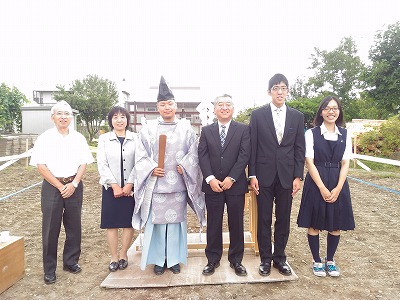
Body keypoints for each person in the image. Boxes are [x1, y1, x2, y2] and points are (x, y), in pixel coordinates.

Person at [132, 76, 205, 275]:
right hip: (156, 185)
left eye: (170, 103)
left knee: (175, 224)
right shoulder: (148, 129)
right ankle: (158, 259)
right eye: (162, 104)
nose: (166, 107)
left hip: (179, 185)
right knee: (156, 224)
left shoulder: (186, 128)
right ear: (157, 107)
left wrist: (186, 166)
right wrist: (150, 168)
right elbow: (141, 155)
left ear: (176, 105)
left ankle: (173, 259)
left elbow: (194, 153)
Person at [29, 100, 94, 284]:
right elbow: (40, 166)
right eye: (59, 114)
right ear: (53, 117)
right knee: (50, 228)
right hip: (52, 187)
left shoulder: (79, 138)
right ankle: (49, 269)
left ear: (71, 117)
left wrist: (74, 183)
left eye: (67, 114)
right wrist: (59, 186)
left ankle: (70, 261)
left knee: (74, 226)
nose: (63, 117)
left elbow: (84, 163)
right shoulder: (45, 138)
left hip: (74, 184)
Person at [249, 73, 305, 276]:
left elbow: (300, 148)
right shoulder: (258, 115)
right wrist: (252, 175)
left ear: (287, 91)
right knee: (263, 218)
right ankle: (265, 259)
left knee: (283, 218)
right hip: (262, 176)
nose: (279, 91)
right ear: (269, 92)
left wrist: (298, 176)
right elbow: (252, 147)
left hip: (287, 177)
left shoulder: (297, 117)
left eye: (283, 87)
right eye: (275, 88)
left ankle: (280, 258)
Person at [297, 95, 355, 277]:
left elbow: (345, 163)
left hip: (338, 181)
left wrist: (338, 188)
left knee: (335, 224)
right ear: (321, 112)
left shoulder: (345, 134)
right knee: (314, 223)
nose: (331, 111)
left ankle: (330, 260)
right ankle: (316, 261)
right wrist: (322, 187)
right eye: (327, 108)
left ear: (339, 111)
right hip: (316, 181)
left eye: (335, 108)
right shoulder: (311, 133)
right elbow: (309, 162)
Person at [198, 94, 251, 277]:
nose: (224, 107)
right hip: (213, 186)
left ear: (233, 109)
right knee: (214, 223)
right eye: (220, 104)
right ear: (214, 109)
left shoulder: (243, 130)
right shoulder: (206, 131)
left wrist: (232, 178)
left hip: (235, 185)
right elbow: (202, 156)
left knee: (236, 223)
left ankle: (236, 260)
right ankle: (212, 259)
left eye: (228, 104)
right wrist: (210, 178)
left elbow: (244, 155)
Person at [97, 106, 137, 272]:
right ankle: (113, 257)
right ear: (111, 121)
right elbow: (102, 163)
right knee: (111, 223)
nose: (119, 120)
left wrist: (130, 184)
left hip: (131, 189)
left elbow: (140, 162)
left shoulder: (136, 138)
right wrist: (114, 185)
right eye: (115, 117)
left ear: (127, 120)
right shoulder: (104, 139)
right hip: (110, 188)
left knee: (128, 223)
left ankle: (123, 254)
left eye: (122, 117)